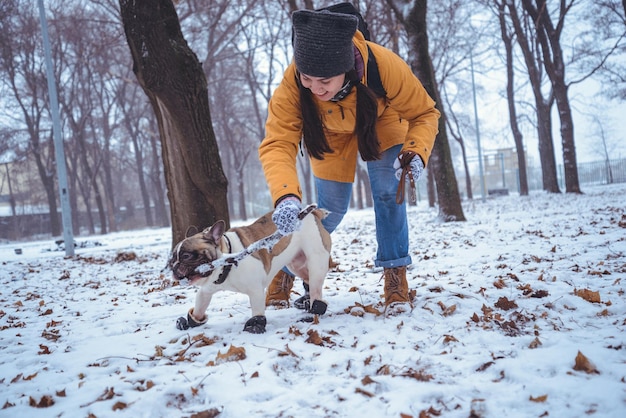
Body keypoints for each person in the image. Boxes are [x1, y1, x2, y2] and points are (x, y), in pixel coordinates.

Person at [259, 7, 440, 312]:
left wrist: (415, 151)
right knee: (329, 210)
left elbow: (424, 113)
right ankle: (285, 270)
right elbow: (278, 142)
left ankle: (395, 274)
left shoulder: (384, 65)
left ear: (346, 67)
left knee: (386, 190)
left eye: (324, 81)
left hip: (381, 122)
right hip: (328, 132)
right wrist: (286, 196)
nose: (316, 89)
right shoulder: (292, 85)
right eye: (307, 78)